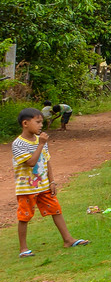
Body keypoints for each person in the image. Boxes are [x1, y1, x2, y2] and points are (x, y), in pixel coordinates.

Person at [14, 107, 85, 257]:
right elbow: (31, 162)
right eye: (38, 122)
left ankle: (68, 239)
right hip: (26, 188)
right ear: (25, 123)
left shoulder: (41, 140)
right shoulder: (18, 144)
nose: (41, 125)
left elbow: (47, 162)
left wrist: (52, 182)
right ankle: (23, 249)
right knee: (24, 216)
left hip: (44, 185)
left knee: (56, 209)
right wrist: (40, 144)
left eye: (42, 122)